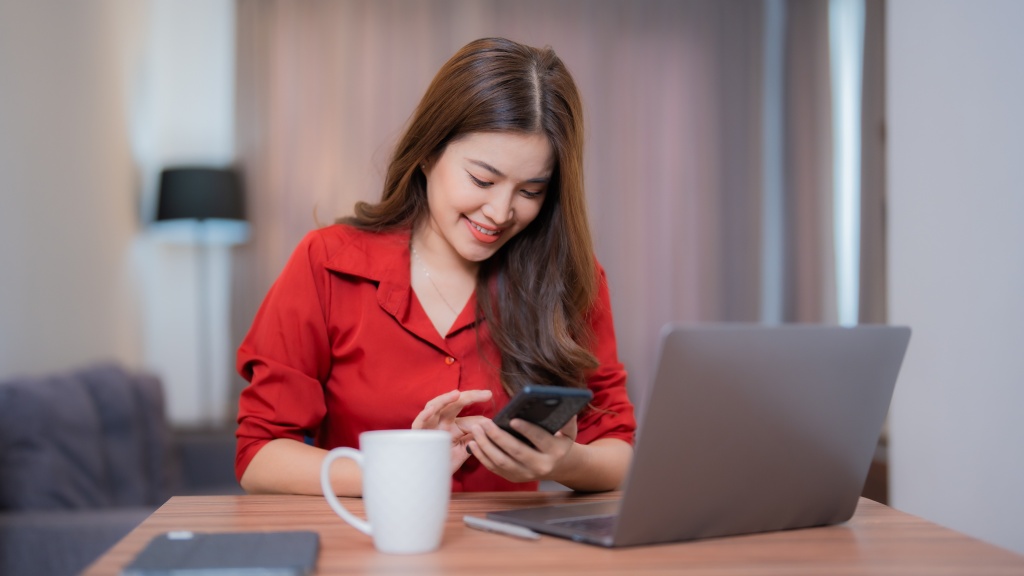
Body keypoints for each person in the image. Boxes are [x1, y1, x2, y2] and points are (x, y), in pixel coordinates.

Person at [235, 37, 636, 497]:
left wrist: (568, 461)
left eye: (530, 191)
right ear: (428, 153)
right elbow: (259, 455)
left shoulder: (566, 280)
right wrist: (404, 470)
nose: (501, 211)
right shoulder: (327, 264)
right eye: (482, 179)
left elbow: (618, 453)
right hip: (368, 551)